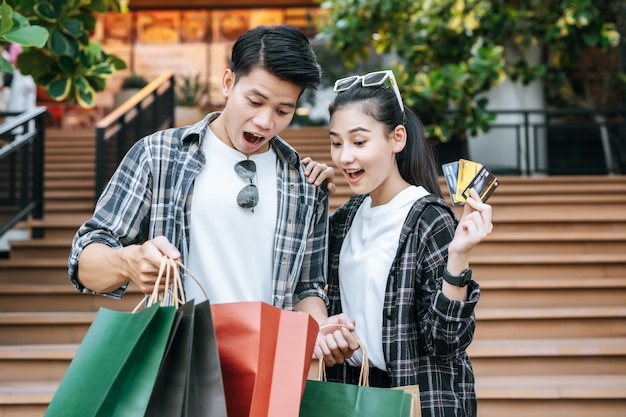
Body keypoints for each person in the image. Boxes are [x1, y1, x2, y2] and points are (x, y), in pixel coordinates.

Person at [68, 24, 356, 363]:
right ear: (228, 82)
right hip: (178, 366)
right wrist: (127, 261)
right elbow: (84, 262)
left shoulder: (305, 181)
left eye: (283, 110)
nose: (265, 122)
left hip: (270, 369)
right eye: (255, 101)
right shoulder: (158, 155)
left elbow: (307, 287)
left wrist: (319, 330)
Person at [317, 70, 493, 417]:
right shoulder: (346, 217)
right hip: (352, 396)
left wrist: (458, 259)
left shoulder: (429, 218)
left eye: (359, 142)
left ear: (397, 138)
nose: (344, 157)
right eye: (336, 143)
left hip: (416, 400)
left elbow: (445, 343)